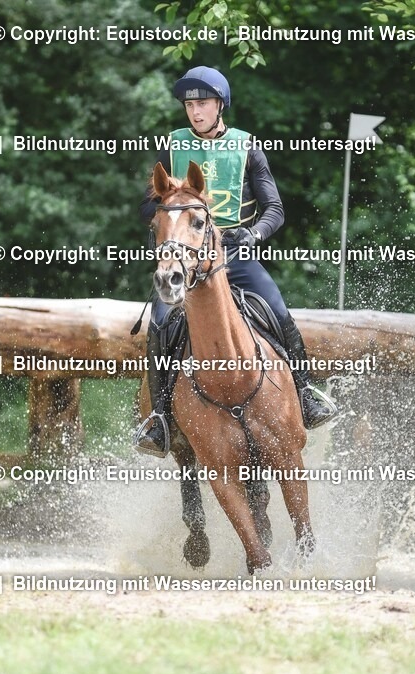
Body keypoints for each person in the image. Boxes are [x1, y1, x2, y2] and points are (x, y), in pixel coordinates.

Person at [134, 65, 337, 456]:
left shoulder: (246, 146)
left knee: (279, 312)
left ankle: (305, 393)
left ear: (220, 105)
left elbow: (274, 208)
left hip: (236, 255)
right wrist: (170, 208)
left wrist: (253, 234)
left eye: (203, 103)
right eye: (190, 104)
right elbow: (148, 206)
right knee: (159, 323)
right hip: (187, 260)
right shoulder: (173, 145)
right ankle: (158, 421)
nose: (195, 111)